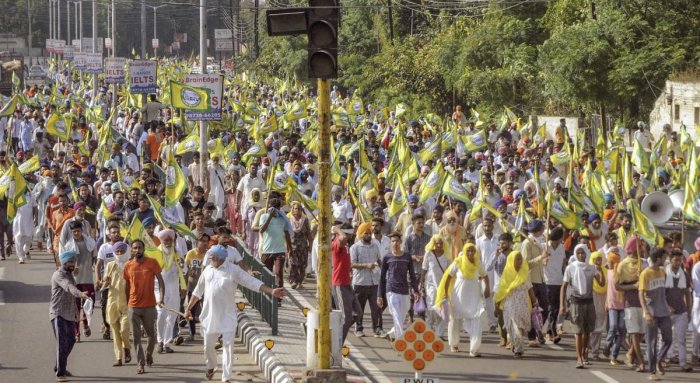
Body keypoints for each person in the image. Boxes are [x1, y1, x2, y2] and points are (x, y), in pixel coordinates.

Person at [185, 245, 284, 382]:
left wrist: (271, 291)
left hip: (227, 316)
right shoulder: (207, 270)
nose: (209, 257)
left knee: (228, 347)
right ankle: (211, 366)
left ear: (219, 258)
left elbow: (252, 282)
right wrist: (188, 308)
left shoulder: (233, 270)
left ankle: (226, 378)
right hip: (210, 316)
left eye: (211, 256)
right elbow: (197, 292)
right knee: (208, 346)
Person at [435, 243, 489, 357]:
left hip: (473, 296)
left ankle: (474, 349)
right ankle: (453, 344)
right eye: (468, 251)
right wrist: (445, 293)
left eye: (472, 251)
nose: (470, 253)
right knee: (454, 320)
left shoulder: (478, 263)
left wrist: (487, 289)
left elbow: (485, 276)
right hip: (458, 296)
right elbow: (448, 277)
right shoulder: (458, 262)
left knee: (476, 319)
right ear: (464, 251)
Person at [123, 239, 165, 375]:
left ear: (144, 249)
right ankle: (140, 363)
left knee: (151, 335)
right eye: (134, 248)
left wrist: (161, 298)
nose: (137, 250)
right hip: (133, 307)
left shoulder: (152, 263)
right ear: (131, 249)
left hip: (150, 306)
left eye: (139, 248)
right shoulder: (128, 265)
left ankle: (148, 353)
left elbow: (161, 281)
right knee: (136, 337)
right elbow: (126, 286)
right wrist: (126, 302)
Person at [560, 244, 605, 369]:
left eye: (583, 252)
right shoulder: (570, 268)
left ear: (586, 253)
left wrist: (601, 271)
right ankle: (579, 358)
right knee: (578, 331)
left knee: (587, 331)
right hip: (576, 303)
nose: (581, 255)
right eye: (578, 253)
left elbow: (601, 283)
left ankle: (585, 354)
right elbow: (564, 287)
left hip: (589, 302)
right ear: (575, 254)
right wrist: (562, 305)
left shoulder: (591, 268)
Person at [50, 250, 92, 382]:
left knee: (71, 340)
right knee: (62, 343)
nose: (72, 264)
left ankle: (59, 365)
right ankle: (60, 373)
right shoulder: (59, 275)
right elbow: (68, 287)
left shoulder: (69, 274)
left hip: (69, 314)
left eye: (73, 262)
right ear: (63, 262)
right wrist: (81, 294)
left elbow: (71, 283)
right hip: (58, 313)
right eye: (69, 262)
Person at [494, 251, 537, 359]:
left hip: (523, 302)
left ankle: (516, 345)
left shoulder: (524, 272)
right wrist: (497, 306)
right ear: (511, 261)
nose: (519, 261)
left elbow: (530, 287)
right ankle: (518, 350)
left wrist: (534, 300)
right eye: (516, 259)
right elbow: (501, 291)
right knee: (513, 326)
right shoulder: (507, 274)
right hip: (510, 303)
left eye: (520, 259)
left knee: (520, 328)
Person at [378, 231, 420, 340]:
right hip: (391, 289)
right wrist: (379, 295)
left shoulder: (407, 257)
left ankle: (392, 334)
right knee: (396, 316)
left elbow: (412, 275)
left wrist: (416, 291)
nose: (395, 243)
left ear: (401, 242)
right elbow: (382, 277)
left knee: (401, 316)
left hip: (404, 290)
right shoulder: (387, 257)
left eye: (397, 241)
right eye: (393, 241)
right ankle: (400, 340)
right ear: (390, 243)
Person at [639, 248, 673, 380]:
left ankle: (659, 360)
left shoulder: (662, 272)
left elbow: (663, 293)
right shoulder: (645, 274)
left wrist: (668, 306)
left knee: (668, 339)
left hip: (664, 311)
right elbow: (641, 294)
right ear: (658, 259)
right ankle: (652, 372)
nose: (665, 261)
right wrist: (646, 312)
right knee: (651, 343)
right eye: (664, 258)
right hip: (651, 312)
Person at [153, 229, 186, 354]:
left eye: (170, 240)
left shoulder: (177, 253)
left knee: (172, 316)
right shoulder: (157, 253)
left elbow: (184, 271)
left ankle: (166, 343)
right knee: (162, 313)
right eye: (165, 240)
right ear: (161, 241)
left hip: (174, 287)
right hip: (159, 287)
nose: (168, 242)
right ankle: (159, 341)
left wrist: (183, 286)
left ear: (173, 241)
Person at [616, 236, 646, 371]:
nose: (641, 248)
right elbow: (617, 286)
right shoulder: (623, 264)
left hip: (644, 301)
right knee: (634, 331)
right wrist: (633, 285)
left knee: (642, 332)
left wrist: (643, 276)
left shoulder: (643, 263)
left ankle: (631, 353)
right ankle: (640, 361)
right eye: (639, 245)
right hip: (630, 301)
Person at [256, 197, 292, 305]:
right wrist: (270, 217)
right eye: (273, 208)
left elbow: (287, 234)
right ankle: (266, 295)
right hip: (267, 251)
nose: (275, 210)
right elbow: (262, 230)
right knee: (266, 273)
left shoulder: (283, 219)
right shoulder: (264, 216)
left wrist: (290, 248)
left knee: (278, 274)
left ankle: (278, 299)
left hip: (279, 251)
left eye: (277, 208)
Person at [350, 222, 383, 338]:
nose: (369, 235)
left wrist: (381, 268)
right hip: (360, 282)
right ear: (360, 235)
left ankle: (377, 329)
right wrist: (366, 265)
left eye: (369, 233)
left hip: (374, 281)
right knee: (360, 308)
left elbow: (379, 260)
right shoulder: (355, 248)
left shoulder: (376, 245)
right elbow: (352, 264)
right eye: (366, 233)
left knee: (376, 307)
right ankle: (359, 328)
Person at [103, 242, 132, 366]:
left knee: (124, 330)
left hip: (127, 302)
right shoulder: (110, 265)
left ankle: (127, 347)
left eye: (122, 251)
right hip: (112, 302)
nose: (120, 253)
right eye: (117, 251)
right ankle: (119, 357)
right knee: (115, 331)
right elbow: (104, 284)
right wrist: (105, 281)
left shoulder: (130, 265)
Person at [665, 249, 693, 372]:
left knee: (681, 339)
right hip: (666, 312)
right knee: (665, 338)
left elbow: (687, 293)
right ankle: (663, 359)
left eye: (680, 260)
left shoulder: (684, 275)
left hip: (681, 312)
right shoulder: (664, 273)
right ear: (670, 260)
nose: (678, 262)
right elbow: (661, 294)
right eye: (675, 260)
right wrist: (667, 307)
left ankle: (683, 363)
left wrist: (689, 310)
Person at [421, 234, 449, 338]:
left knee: (442, 308)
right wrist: (421, 283)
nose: (439, 245)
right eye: (437, 243)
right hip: (430, 284)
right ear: (433, 243)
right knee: (431, 306)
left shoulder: (446, 255)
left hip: (443, 286)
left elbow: (449, 272)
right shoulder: (429, 254)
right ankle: (429, 327)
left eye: (441, 243)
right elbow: (424, 269)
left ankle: (439, 333)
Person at [184, 232, 209, 341]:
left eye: (206, 241)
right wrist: (184, 285)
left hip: (205, 288)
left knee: (207, 310)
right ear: (197, 242)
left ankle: (208, 333)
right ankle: (191, 334)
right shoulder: (190, 254)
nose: (204, 243)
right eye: (202, 241)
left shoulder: (209, 255)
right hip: (192, 286)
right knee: (191, 311)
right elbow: (185, 270)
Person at [604, 250, 626, 366]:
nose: (609, 263)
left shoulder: (622, 273)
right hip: (612, 304)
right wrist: (606, 302)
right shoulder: (608, 272)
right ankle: (607, 347)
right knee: (613, 327)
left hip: (623, 304)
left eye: (611, 261)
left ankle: (614, 356)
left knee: (621, 330)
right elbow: (607, 288)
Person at [588, 251, 608, 361]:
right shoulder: (589, 271)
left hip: (602, 299)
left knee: (599, 326)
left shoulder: (605, 271)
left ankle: (595, 351)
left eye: (600, 259)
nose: (598, 261)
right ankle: (587, 350)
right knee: (590, 325)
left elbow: (604, 284)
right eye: (596, 259)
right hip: (591, 298)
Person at [288, 201, 312, 289]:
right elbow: (285, 234)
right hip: (292, 246)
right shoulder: (289, 219)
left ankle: (299, 281)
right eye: (295, 208)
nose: (297, 210)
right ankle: (293, 281)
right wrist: (287, 246)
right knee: (293, 264)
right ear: (293, 210)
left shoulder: (305, 220)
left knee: (302, 265)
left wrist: (310, 245)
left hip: (303, 246)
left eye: (299, 208)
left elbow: (309, 234)